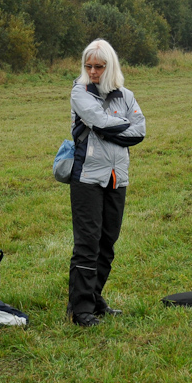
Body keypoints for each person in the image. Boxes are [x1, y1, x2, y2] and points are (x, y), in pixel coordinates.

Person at [66, 39, 146, 327]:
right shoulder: (80, 92)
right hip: (87, 176)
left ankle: (95, 298)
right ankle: (80, 310)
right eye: (88, 66)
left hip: (117, 177)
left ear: (110, 66)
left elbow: (140, 132)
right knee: (87, 243)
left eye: (99, 66)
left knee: (107, 242)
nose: (93, 71)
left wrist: (108, 127)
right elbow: (98, 122)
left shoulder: (126, 95)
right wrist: (117, 126)